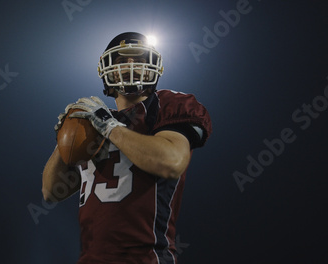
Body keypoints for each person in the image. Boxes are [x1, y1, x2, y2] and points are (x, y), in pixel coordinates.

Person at [42, 32, 212, 264]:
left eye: (140, 59)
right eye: (122, 60)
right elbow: (52, 192)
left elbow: (171, 162)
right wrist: (65, 138)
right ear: (107, 70)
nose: (131, 65)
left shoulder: (167, 105)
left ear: (153, 68)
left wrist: (111, 126)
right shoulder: (95, 121)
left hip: (145, 258)